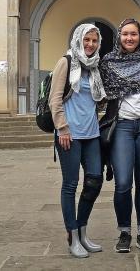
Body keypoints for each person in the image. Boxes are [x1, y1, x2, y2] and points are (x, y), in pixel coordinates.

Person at [100, 19, 140, 254]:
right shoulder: (108, 62)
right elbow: (99, 89)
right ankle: (124, 231)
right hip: (122, 126)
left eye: (133, 34)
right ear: (119, 36)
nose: (129, 38)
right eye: (125, 34)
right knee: (123, 182)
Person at [49, 24, 106, 258]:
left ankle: (82, 230)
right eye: (87, 40)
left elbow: (97, 101)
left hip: (91, 133)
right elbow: (55, 100)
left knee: (94, 181)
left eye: (94, 40)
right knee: (70, 185)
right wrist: (62, 128)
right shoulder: (66, 61)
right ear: (78, 40)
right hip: (69, 135)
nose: (90, 44)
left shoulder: (94, 66)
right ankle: (72, 235)